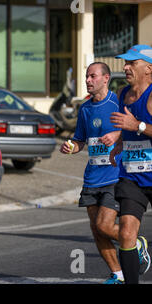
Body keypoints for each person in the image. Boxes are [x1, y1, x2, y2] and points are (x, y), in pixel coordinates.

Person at [60, 62, 131, 283]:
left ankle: (135, 243)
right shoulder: (86, 108)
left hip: (115, 174)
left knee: (104, 225)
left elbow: (133, 128)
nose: (88, 80)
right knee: (97, 230)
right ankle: (117, 274)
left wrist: (117, 135)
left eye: (93, 76)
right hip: (92, 177)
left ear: (105, 78)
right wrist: (71, 146)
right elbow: (81, 139)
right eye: (87, 76)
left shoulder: (118, 102)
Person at [109, 44, 152, 284]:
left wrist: (138, 126)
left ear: (148, 68)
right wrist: (120, 142)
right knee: (126, 233)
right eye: (125, 63)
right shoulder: (123, 94)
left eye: (131, 63)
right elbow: (126, 128)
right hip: (133, 175)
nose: (125, 67)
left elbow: (136, 125)